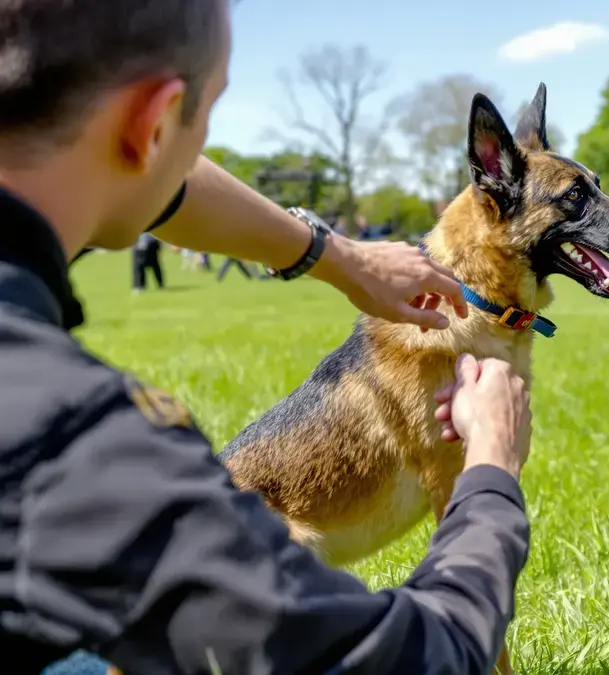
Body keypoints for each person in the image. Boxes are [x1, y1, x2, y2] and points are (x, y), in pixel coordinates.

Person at [1, 1, 534, 674]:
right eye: (207, 115)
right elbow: (422, 657)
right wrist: (489, 470)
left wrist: (336, 256)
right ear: (156, 124)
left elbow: (150, 175)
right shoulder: (71, 436)